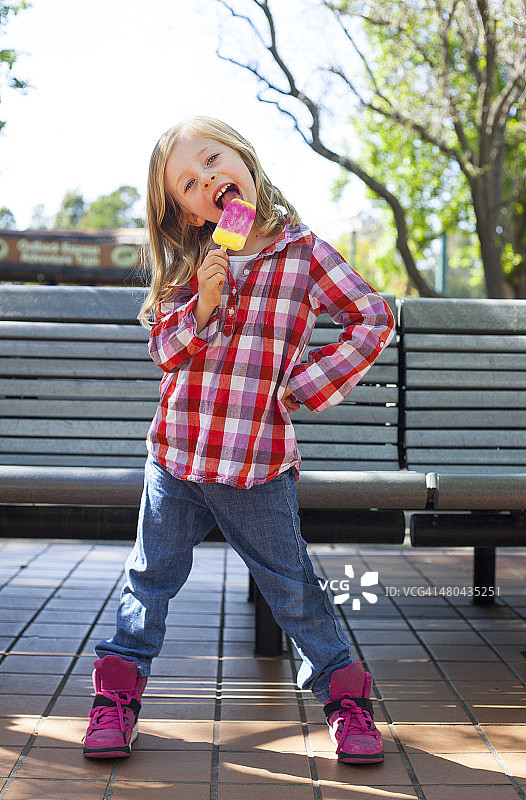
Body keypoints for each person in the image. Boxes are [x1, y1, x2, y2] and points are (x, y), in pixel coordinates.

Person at [82, 116, 394, 764]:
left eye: (213, 161)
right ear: (190, 213)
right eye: (190, 184)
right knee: (148, 581)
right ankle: (114, 700)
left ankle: (348, 703)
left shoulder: (305, 253)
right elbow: (165, 352)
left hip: (256, 464)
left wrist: (304, 384)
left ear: (245, 160)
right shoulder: (196, 262)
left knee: (295, 589)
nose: (208, 181)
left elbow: (372, 316)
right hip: (178, 458)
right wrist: (199, 307)